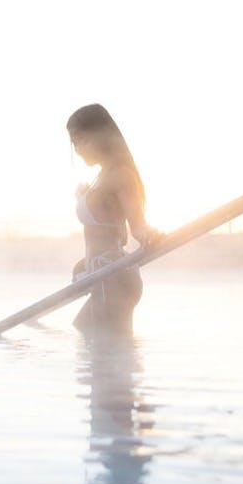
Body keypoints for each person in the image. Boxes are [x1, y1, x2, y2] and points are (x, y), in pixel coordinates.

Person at [67, 104, 161, 335]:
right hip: (102, 276)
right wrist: (85, 262)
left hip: (114, 279)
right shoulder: (101, 177)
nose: (78, 149)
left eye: (82, 140)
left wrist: (149, 234)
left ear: (102, 136)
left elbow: (137, 227)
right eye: (74, 142)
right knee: (95, 343)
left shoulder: (121, 175)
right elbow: (101, 230)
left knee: (107, 354)